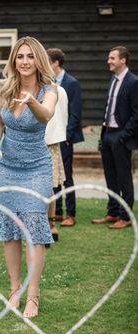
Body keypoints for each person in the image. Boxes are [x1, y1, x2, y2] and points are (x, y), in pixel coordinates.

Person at [0, 36, 57, 318]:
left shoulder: (49, 90)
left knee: (34, 231)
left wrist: (32, 102)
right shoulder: (5, 87)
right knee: (10, 232)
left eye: (30, 56)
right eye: (20, 56)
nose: (24, 61)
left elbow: (46, 116)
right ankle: (15, 291)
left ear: (38, 60)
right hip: (8, 168)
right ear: (14, 60)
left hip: (37, 168)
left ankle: (33, 296)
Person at [92, 46, 138, 229]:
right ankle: (113, 212)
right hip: (107, 134)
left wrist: (123, 136)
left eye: (112, 58)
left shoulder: (133, 82)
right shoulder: (113, 79)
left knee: (124, 178)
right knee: (110, 177)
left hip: (121, 136)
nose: (108, 61)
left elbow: (136, 114)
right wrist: (102, 136)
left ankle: (125, 217)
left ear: (123, 60)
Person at [47, 48, 84, 226]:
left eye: (47, 61)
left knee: (67, 177)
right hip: (52, 136)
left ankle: (71, 213)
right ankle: (58, 211)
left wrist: (66, 137)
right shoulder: (48, 83)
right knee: (55, 176)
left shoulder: (72, 83)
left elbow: (75, 114)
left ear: (55, 63)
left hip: (65, 138)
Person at [44, 85, 68, 244]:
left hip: (47, 141)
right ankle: (51, 226)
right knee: (50, 187)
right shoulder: (60, 89)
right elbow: (64, 117)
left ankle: (49, 225)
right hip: (52, 140)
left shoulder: (55, 90)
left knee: (48, 187)